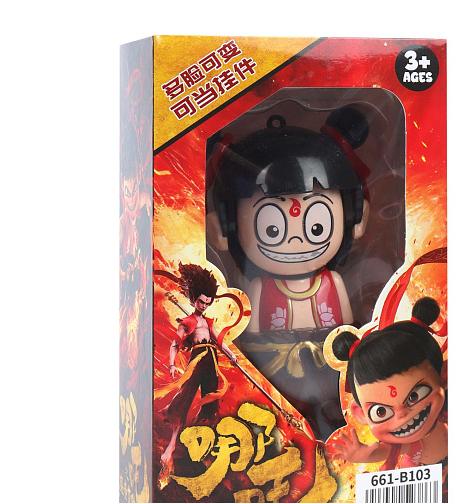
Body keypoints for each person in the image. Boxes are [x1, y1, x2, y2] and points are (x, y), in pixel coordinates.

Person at [208, 105, 371, 441]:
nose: (296, 239)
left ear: (355, 218)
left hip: (332, 370)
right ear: (223, 228)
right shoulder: (259, 289)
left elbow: (349, 333)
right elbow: (250, 344)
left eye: (315, 225)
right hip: (275, 374)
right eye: (273, 228)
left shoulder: (332, 283)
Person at [330, 298, 447, 468]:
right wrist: (360, 455)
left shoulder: (445, 413)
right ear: (360, 413)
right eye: (381, 412)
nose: (402, 414)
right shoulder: (410, 444)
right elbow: (384, 451)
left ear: (444, 376)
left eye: (414, 396)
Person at [157, 264, 238, 476]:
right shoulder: (187, 321)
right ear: (194, 300)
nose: (204, 305)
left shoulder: (208, 322)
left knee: (211, 402)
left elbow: (218, 340)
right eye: (201, 302)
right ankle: (171, 446)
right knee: (184, 398)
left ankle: (206, 450)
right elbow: (175, 344)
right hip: (198, 359)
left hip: (211, 360)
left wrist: (231, 354)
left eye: (207, 302)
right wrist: (172, 364)